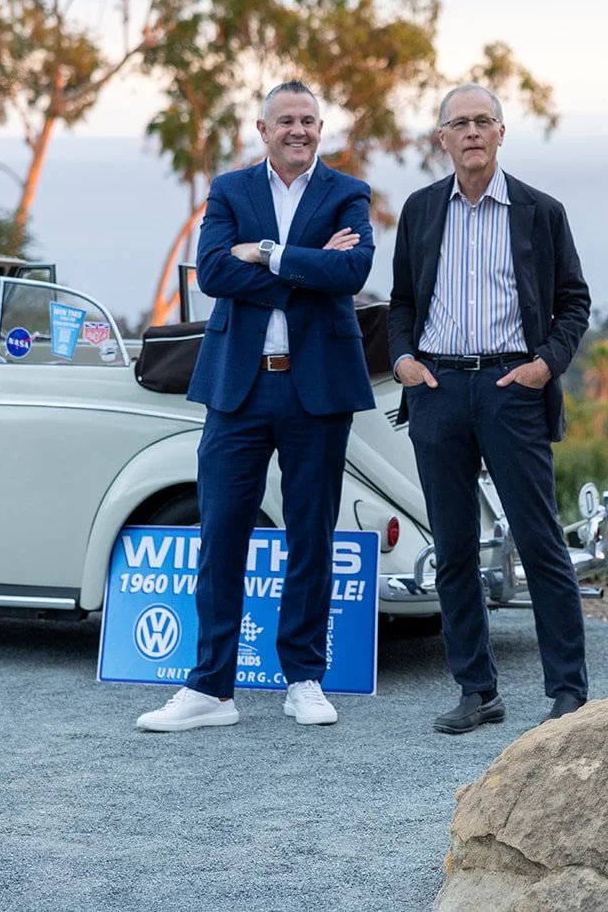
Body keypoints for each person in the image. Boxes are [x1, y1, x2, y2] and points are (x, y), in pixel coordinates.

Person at [136, 80, 376, 731]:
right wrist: (306, 266)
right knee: (220, 535)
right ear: (262, 129)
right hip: (238, 387)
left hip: (317, 385)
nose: (298, 130)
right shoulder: (231, 190)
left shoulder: (347, 194)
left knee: (310, 536)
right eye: (285, 121)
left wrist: (267, 254)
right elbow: (213, 271)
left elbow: (350, 275)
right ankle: (210, 688)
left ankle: (304, 677)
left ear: (320, 128)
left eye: (309, 120)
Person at [389, 83, 592, 733]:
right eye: (460, 123)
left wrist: (544, 365)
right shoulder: (421, 210)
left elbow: (573, 300)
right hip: (438, 391)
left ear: (501, 133)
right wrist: (405, 364)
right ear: (442, 138)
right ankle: (478, 691)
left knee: (538, 540)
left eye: (483, 121)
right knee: (452, 548)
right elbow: (399, 303)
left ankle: (568, 691)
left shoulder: (540, 211)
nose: (472, 131)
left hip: (512, 389)